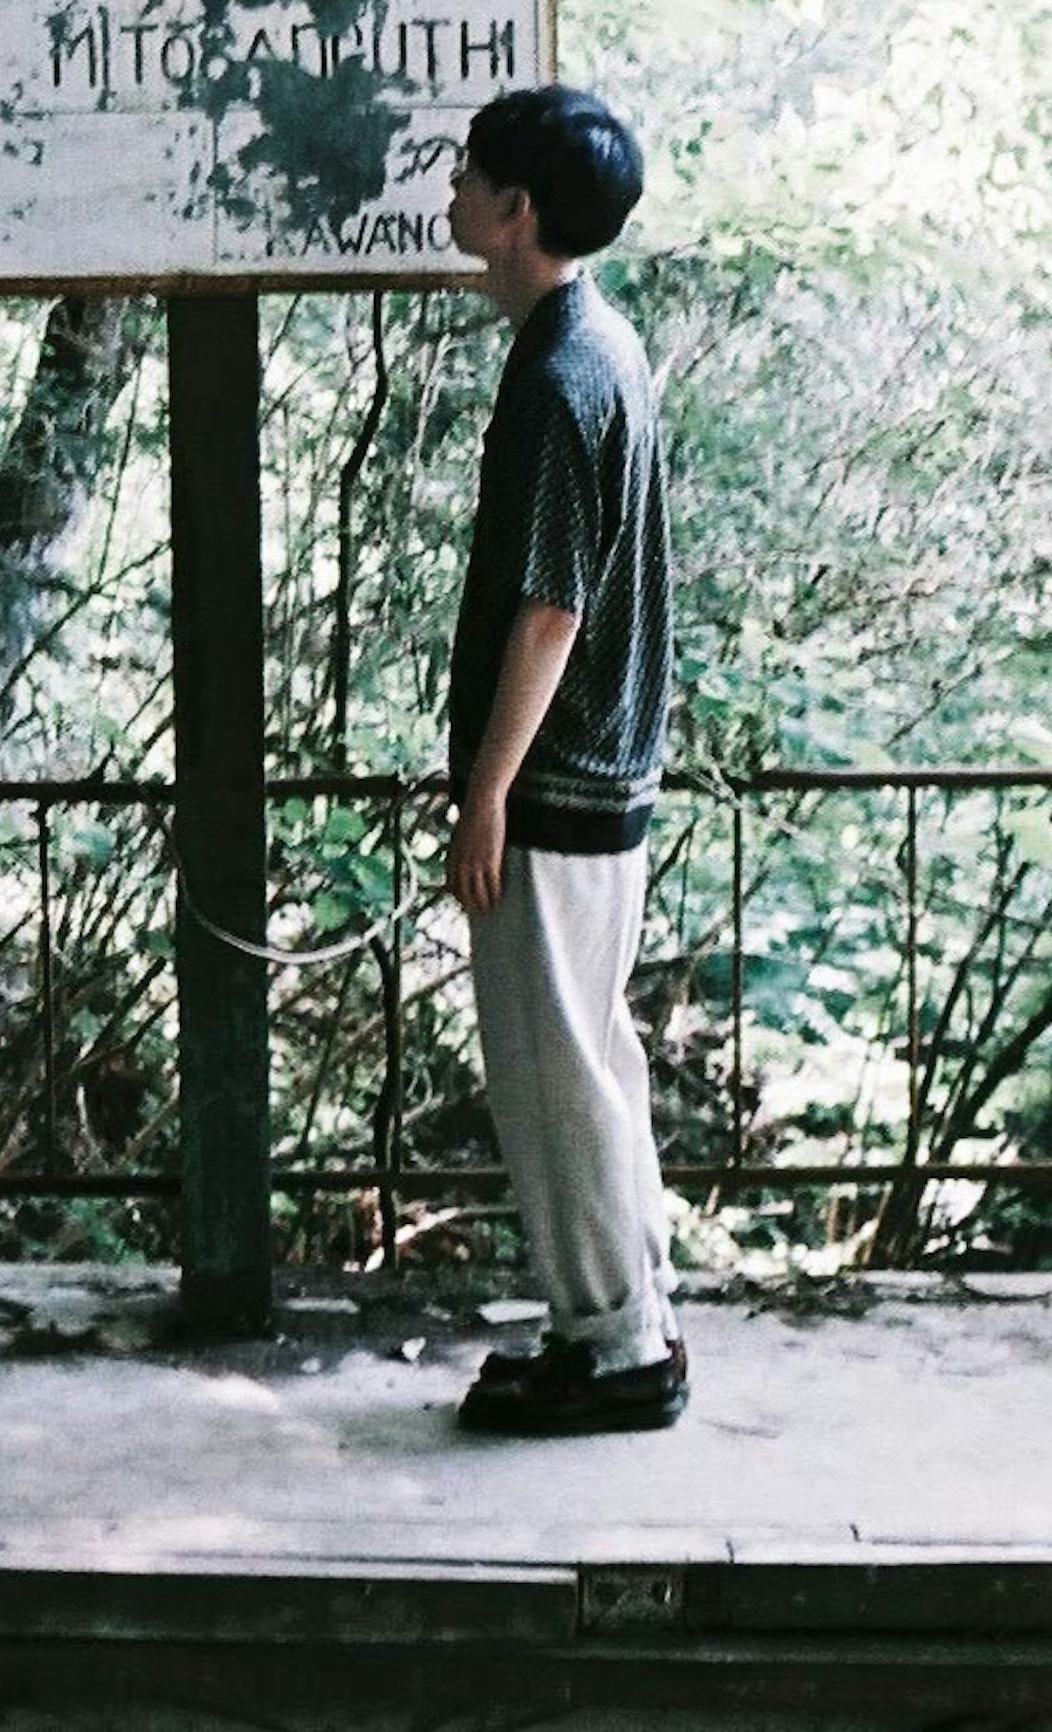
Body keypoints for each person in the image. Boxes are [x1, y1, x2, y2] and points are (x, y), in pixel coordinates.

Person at [438, 83, 685, 1436]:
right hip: (605, 773)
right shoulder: (601, 346)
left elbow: (550, 611)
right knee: (589, 1053)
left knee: (554, 1068)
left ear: (519, 211)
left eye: (472, 176)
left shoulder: (558, 377)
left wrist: (485, 792)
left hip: (563, 782)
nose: (453, 193)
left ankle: (616, 1347)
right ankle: (618, 1313)